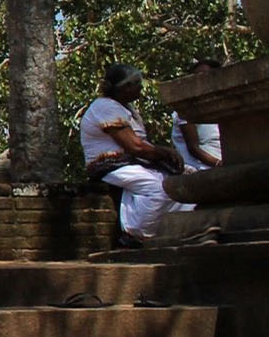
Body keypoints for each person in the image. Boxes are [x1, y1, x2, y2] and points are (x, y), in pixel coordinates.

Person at [80, 63, 193, 243]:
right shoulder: (105, 107)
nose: (140, 87)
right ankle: (135, 233)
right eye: (136, 83)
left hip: (135, 164)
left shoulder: (128, 109)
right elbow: (135, 146)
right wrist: (166, 152)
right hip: (111, 166)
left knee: (188, 181)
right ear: (124, 87)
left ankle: (178, 232)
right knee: (160, 189)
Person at [171, 58, 224, 172]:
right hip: (199, 168)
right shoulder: (185, 110)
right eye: (196, 76)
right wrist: (219, 164)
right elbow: (193, 148)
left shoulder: (222, 107)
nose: (199, 80)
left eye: (205, 76)